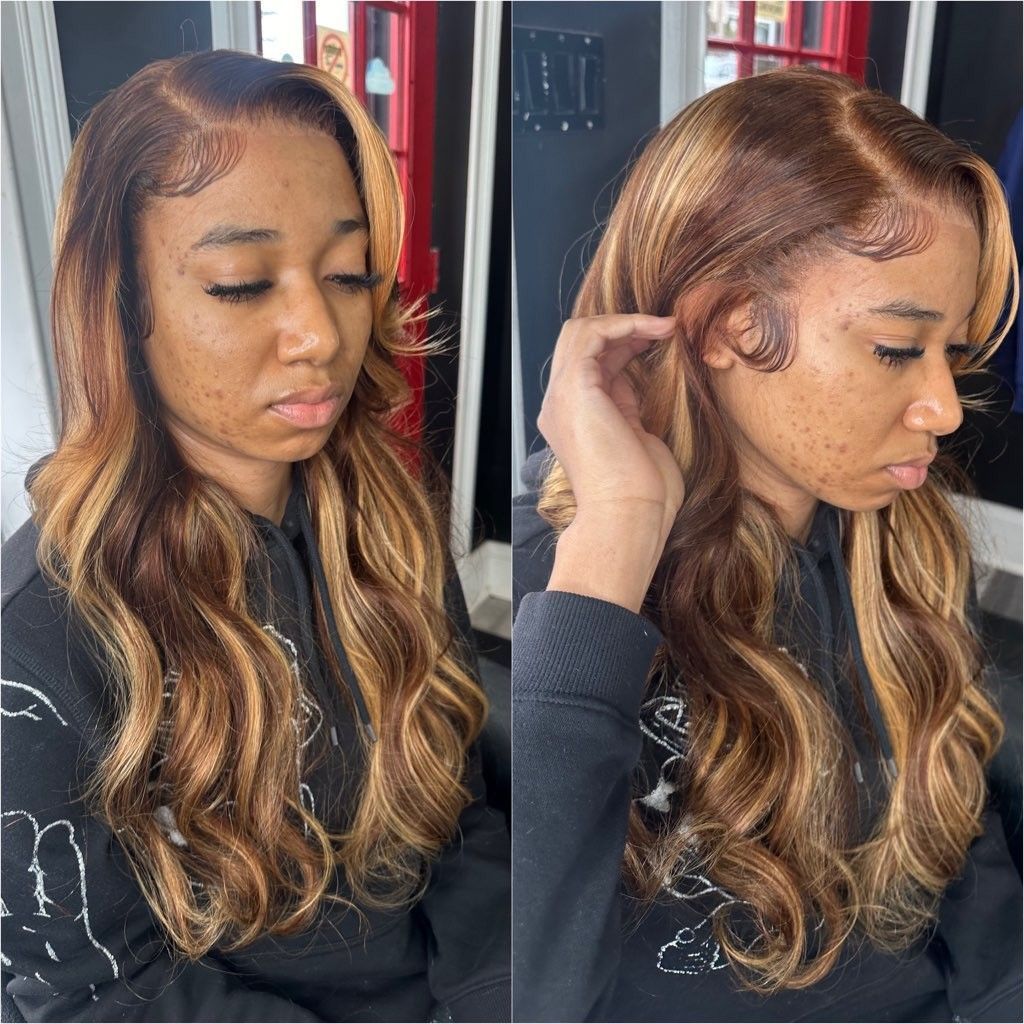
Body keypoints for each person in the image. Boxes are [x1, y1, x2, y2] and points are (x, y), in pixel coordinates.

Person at [1, 50, 510, 1022]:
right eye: (240, 283)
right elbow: (102, 998)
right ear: (122, 305)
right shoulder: (35, 641)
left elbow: (463, 813)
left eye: (349, 272)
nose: (319, 331)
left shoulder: (386, 519)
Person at [512, 66, 1021, 1023]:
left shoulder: (903, 550)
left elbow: (976, 887)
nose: (945, 408)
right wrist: (617, 534)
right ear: (726, 326)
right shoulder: (571, 589)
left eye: (952, 350)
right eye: (895, 348)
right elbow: (533, 988)